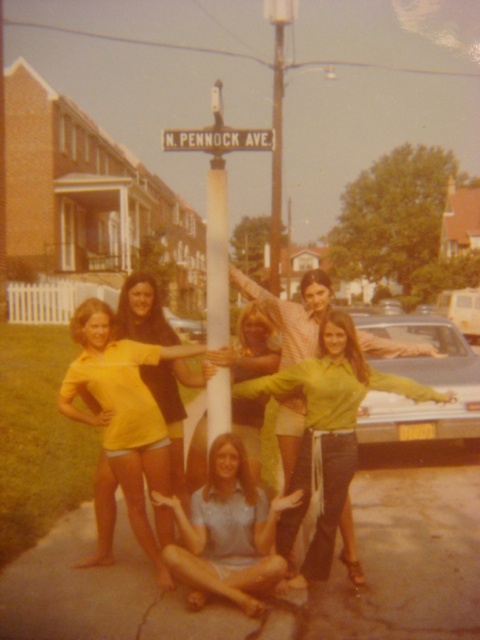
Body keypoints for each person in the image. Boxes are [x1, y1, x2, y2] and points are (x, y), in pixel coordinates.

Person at [229, 264, 442, 587]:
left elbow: (377, 344)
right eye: (309, 295)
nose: (315, 300)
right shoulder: (289, 313)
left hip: (327, 417)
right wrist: (223, 264)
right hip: (292, 411)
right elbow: (255, 292)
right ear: (302, 297)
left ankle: (351, 554)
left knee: (336, 493)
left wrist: (422, 348)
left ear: (331, 292)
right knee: (297, 490)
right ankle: (289, 560)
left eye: (320, 293)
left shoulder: (338, 326)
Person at [58, 297, 211, 589]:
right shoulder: (79, 367)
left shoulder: (125, 348)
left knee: (162, 501)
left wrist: (207, 347)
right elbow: (63, 404)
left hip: (154, 434)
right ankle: (159, 565)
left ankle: (171, 558)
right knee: (137, 505)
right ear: (82, 329)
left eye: (104, 325)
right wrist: (92, 419)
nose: (101, 332)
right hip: (120, 443)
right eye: (94, 326)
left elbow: (167, 352)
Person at [153, 432, 303, 616]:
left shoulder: (256, 495)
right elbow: (197, 547)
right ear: (213, 460)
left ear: (241, 462)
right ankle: (239, 597)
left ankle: (207, 591)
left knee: (279, 564)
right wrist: (177, 510)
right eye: (221, 456)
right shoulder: (199, 497)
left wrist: (273, 513)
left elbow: (264, 547)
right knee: (169, 553)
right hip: (212, 567)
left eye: (233, 457)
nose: (227, 463)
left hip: (250, 568)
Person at [186, 301, 281, 489]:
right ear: (242, 326)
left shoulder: (276, 355)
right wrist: (209, 370)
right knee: (195, 482)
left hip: (248, 427)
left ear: (269, 328)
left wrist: (236, 361)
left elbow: (268, 365)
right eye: (249, 324)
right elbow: (212, 378)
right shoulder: (232, 350)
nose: (253, 329)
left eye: (260, 324)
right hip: (212, 419)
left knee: (251, 489)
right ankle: (194, 519)